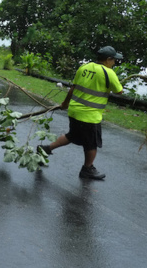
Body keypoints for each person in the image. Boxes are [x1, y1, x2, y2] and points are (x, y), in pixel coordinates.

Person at [38, 46, 124, 180]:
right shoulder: (109, 73)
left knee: (72, 135)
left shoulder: (84, 67)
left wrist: (65, 104)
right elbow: (119, 91)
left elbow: (73, 88)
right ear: (108, 59)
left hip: (74, 110)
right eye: (114, 60)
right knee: (91, 143)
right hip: (89, 115)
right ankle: (87, 169)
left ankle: (46, 149)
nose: (114, 63)